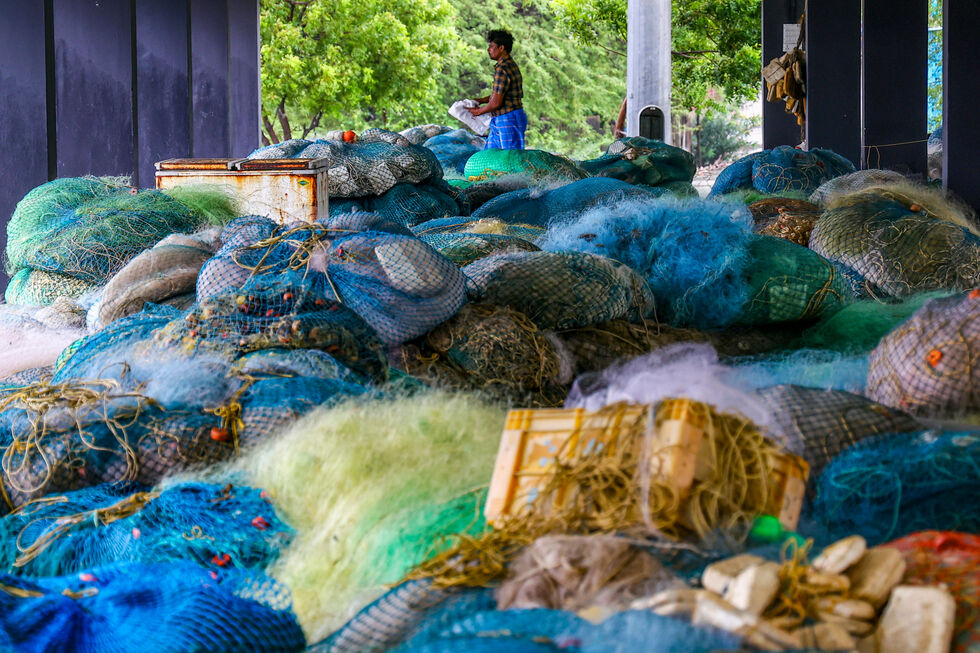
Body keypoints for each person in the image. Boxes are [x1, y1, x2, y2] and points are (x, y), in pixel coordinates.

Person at [468, 29, 526, 150]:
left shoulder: (503, 68)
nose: (489, 50)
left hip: (509, 118)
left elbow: (496, 102)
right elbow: (498, 95)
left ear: (501, 48)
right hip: (502, 118)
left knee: (509, 158)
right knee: (490, 154)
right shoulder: (508, 65)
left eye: (491, 46)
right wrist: (481, 100)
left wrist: (478, 112)